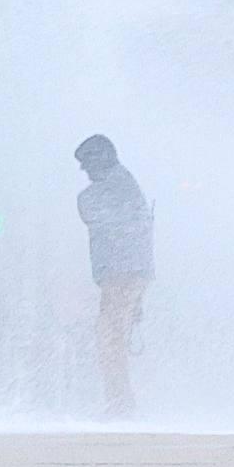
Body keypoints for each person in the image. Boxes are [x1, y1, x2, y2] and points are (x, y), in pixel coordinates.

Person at [75, 135, 154, 417]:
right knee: (112, 339)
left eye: (87, 163)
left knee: (109, 339)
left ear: (101, 158)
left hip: (122, 274)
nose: (84, 170)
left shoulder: (116, 187)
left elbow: (91, 210)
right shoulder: (122, 184)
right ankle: (120, 402)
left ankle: (120, 405)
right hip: (123, 273)